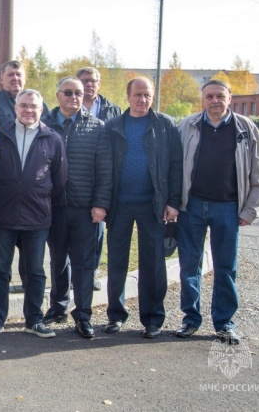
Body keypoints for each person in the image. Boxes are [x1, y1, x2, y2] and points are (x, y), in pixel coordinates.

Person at [176, 79, 259, 345]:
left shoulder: (246, 129)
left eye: (220, 96)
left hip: (228, 208)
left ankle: (224, 323)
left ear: (230, 99)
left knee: (226, 268)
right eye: (209, 97)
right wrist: (173, 202)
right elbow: (174, 166)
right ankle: (190, 320)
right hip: (192, 206)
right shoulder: (188, 126)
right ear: (202, 99)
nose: (214, 101)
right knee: (189, 266)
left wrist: (251, 209)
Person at [103, 78, 182, 339]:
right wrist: (102, 203)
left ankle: (152, 318)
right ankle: (116, 315)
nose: (143, 100)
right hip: (120, 205)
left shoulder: (166, 125)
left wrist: (172, 202)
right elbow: (104, 167)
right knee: (117, 262)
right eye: (138, 94)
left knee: (154, 263)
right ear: (128, 96)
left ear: (153, 96)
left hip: (153, 206)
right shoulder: (113, 125)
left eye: (147, 95)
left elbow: (175, 166)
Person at [0, 89, 67, 339]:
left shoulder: (52, 138)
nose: (28, 110)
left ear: (41, 110)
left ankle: (33, 318)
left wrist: (40, 197)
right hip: (4, 213)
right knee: (0, 268)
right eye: (23, 105)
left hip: (37, 216)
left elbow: (60, 179)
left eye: (33, 106)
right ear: (15, 108)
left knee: (35, 270)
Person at [41, 76, 112, 339]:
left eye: (78, 93)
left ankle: (83, 314)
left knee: (83, 264)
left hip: (86, 209)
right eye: (68, 92)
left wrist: (100, 204)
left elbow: (105, 169)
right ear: (58, 95)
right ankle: (58, 306)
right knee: (58, 260)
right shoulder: (44, 126)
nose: (73, 97)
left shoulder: (97, 127)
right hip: (54, 207)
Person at [76, 66, 121, 291]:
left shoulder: (113, 110)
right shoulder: (69, 106)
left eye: (93, 81)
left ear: (99, 83)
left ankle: (92, 270)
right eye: (84, 80)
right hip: (77, 178)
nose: (88, 84)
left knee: (97, 231)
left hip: (102, 176)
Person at [0, 60, 49, 130]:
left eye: (18, 74)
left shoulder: (37, 102)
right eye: (10, 74)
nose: (15, 78)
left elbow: (46, 129)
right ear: (1, 79)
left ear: (25, 79)